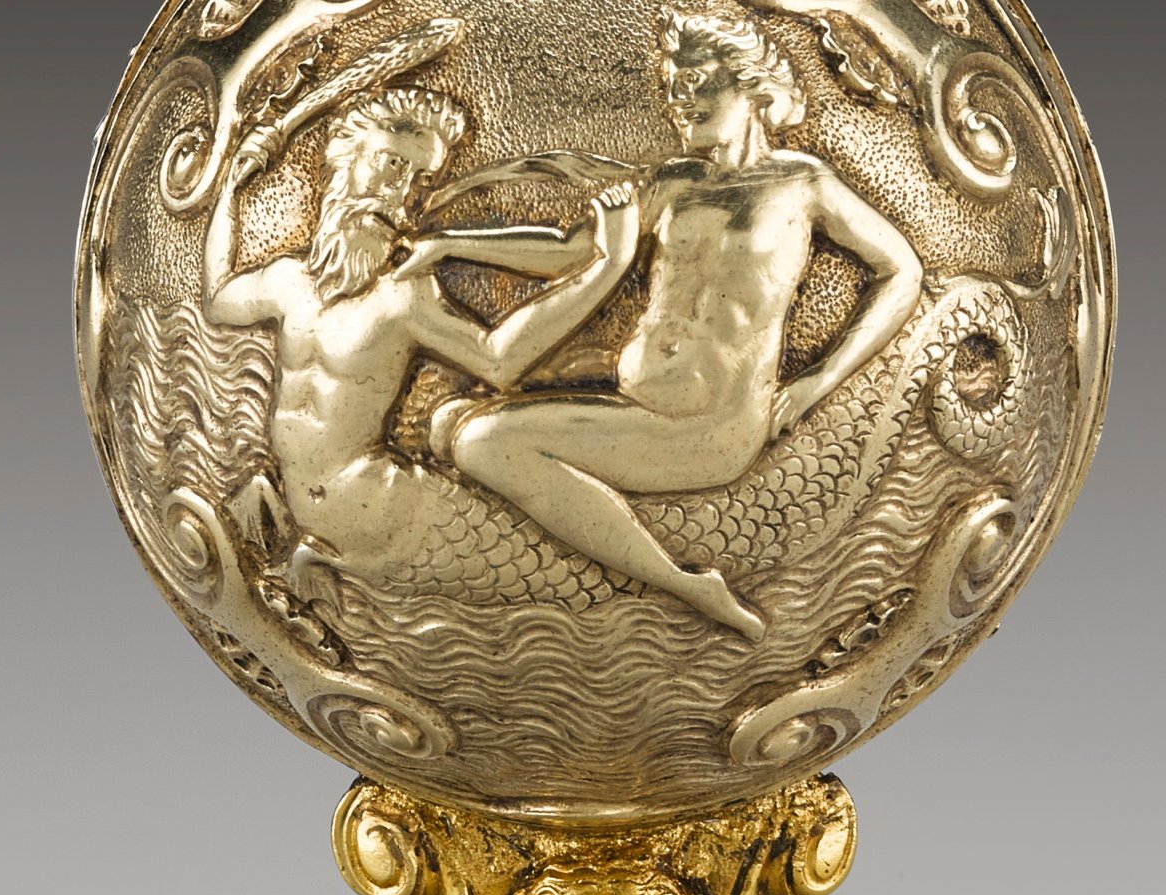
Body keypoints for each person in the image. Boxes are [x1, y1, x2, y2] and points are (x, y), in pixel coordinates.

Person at [404, 10, 924, 639]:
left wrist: (817, 382)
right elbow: (572, 253)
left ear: (748, 83)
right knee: (451, 427)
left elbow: (903, 271)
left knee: (482, 442)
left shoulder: (802, 183)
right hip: (639, 402)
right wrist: (452, 243)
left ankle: (683, 585)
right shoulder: (673, 181)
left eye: (696, 82)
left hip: (711, 424)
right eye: (673, 86)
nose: (679, 100)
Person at [202, 86, 639, 583]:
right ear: (344, 159)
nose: (402, 193)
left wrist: (608, 268)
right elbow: (217, 299)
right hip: (302, 509)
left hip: (384, 512)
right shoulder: (288, 281)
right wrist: (230, 188)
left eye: (419, 179)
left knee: (556, 579)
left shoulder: (403, 296)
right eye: (391, 164)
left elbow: (498, 362)